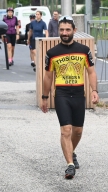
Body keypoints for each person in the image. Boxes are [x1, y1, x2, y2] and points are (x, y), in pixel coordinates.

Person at [41, 16, 99, 179]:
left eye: (67, 30)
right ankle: (70, 165)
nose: (64, 33)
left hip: (79, 93)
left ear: (74, 31)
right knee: (66, 130)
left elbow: (91, 72)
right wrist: (44, 97)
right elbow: (47, 77)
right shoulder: (52, 53)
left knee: (78, 131)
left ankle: (71, 151)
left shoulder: (83, 50)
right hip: (62, 94)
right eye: (61, 30)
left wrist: (94, 90)